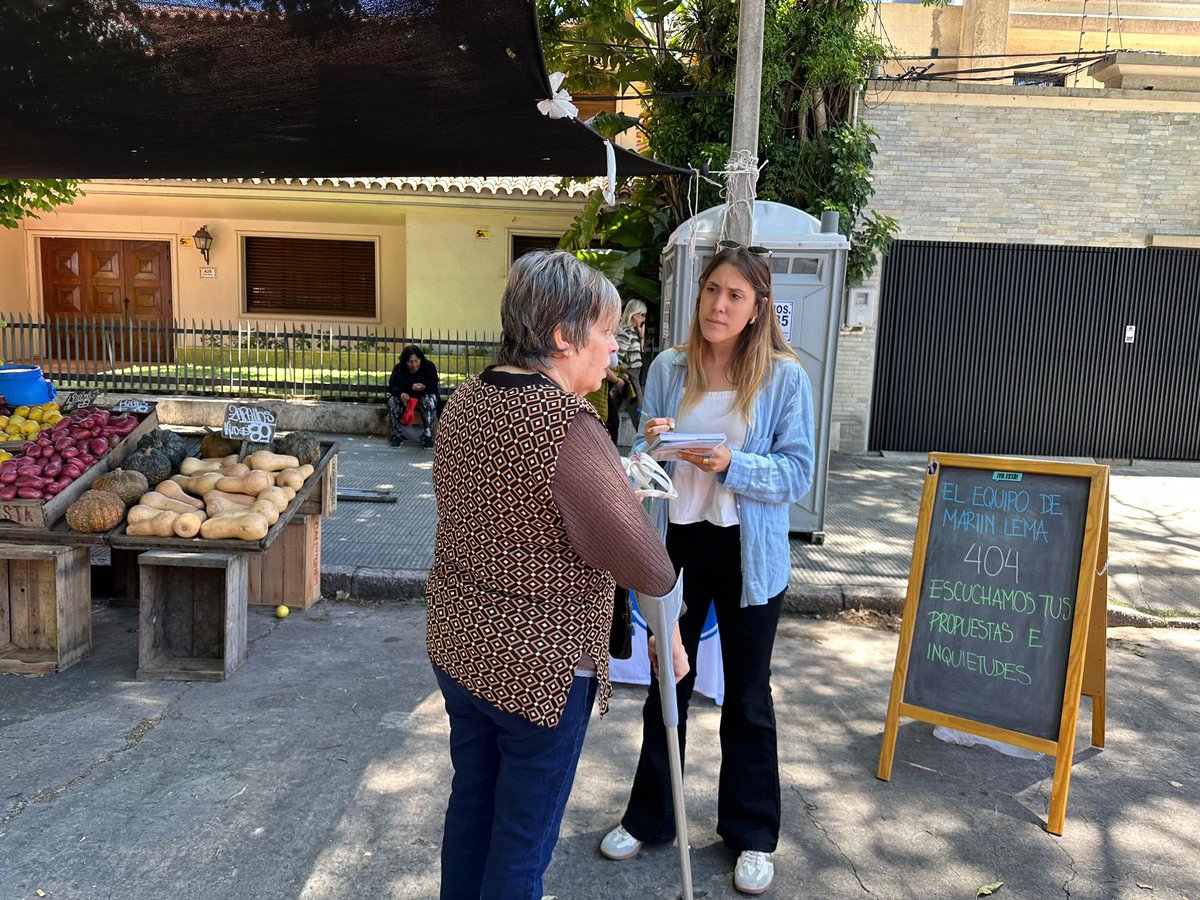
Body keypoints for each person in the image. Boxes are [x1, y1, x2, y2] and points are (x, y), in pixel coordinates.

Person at [426, 249, 688, 900]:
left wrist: (601, 488)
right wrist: (619, 501)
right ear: (564, 336)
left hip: (461, 646)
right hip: (537, 669)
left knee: (473, 811)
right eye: (605, 332)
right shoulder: (565, 424)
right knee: (519, 846)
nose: (615, 347)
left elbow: (509, 504)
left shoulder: (467, 397)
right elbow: (647, 564)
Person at [598, 246, 815, 896]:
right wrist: (648, 442)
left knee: (748, 698)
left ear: (757, 309)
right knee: (669, 686)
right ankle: (650, 818)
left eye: (736, 296)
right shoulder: (670, 366)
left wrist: (733, 464)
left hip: (749, 553)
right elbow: (643, 456)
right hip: (679, 545)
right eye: (712, 290)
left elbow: (798, 473)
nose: (720, 305)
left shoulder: (782, 378)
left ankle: (750, 833)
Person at [388, 345, 439, 449]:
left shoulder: (429, 366)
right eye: (410, 362)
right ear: (405, 362)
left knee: (428, 400)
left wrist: (424, 387)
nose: (414, 364)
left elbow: (434, 386)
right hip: (406, 400)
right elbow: (392, 386)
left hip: (424, 399)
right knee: (392, 401)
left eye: (416, 361)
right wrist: (400, 393)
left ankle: (428, 436)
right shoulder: (399, 368)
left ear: (421, 359)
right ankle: (397, 435)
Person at [614, 298, 648, 431]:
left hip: (633, 375)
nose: (644, 319)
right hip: (630, 377)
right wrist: (624, 375)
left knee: (614, 409)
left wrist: (641, 336)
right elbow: (617, 358)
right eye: (642, 315)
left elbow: (639, 352)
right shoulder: (626, 333)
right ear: (634, 315)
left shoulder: (632, 332)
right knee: (639, 413)